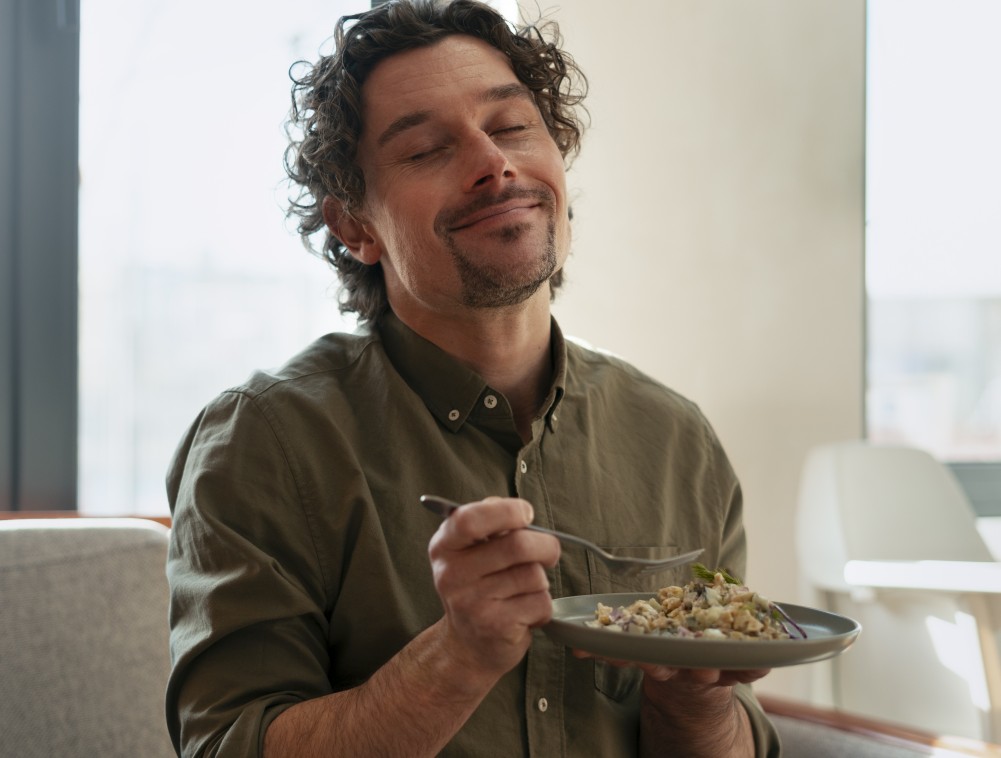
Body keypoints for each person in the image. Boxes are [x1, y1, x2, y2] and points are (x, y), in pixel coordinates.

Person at [165, 1, 781, 756]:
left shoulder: (674, 439)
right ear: (354, 226)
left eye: (514, 127)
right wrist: (458, 657)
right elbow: (229, 746)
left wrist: (694, 704)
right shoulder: (265, 441)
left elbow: (727, 737)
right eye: (426, 149)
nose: (493, 162)